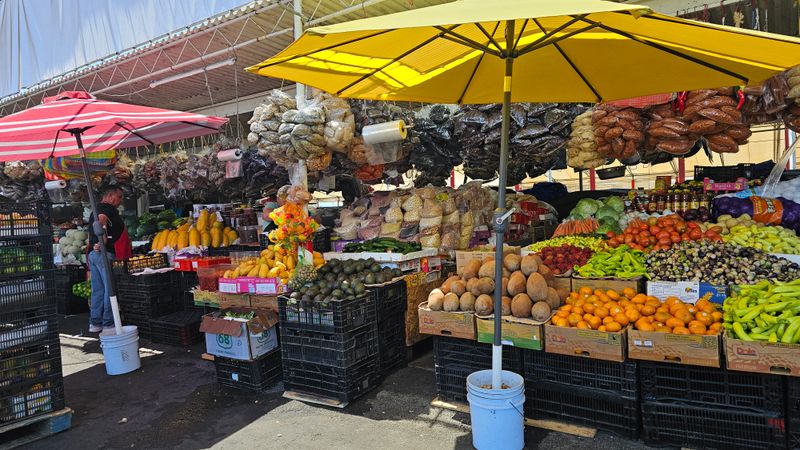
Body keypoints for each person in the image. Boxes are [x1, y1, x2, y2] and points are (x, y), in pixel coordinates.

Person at [87, 186, 125, 333]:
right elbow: (101, 221)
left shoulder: (96, 208)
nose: (120, 200)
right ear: (110, 196)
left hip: (94, 254)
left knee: (98, 290)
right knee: (109, 289)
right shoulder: (106, 209)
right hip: (103, 253)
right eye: (119, 196)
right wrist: (102, 241)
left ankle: (95, 323)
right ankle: (109, 323)